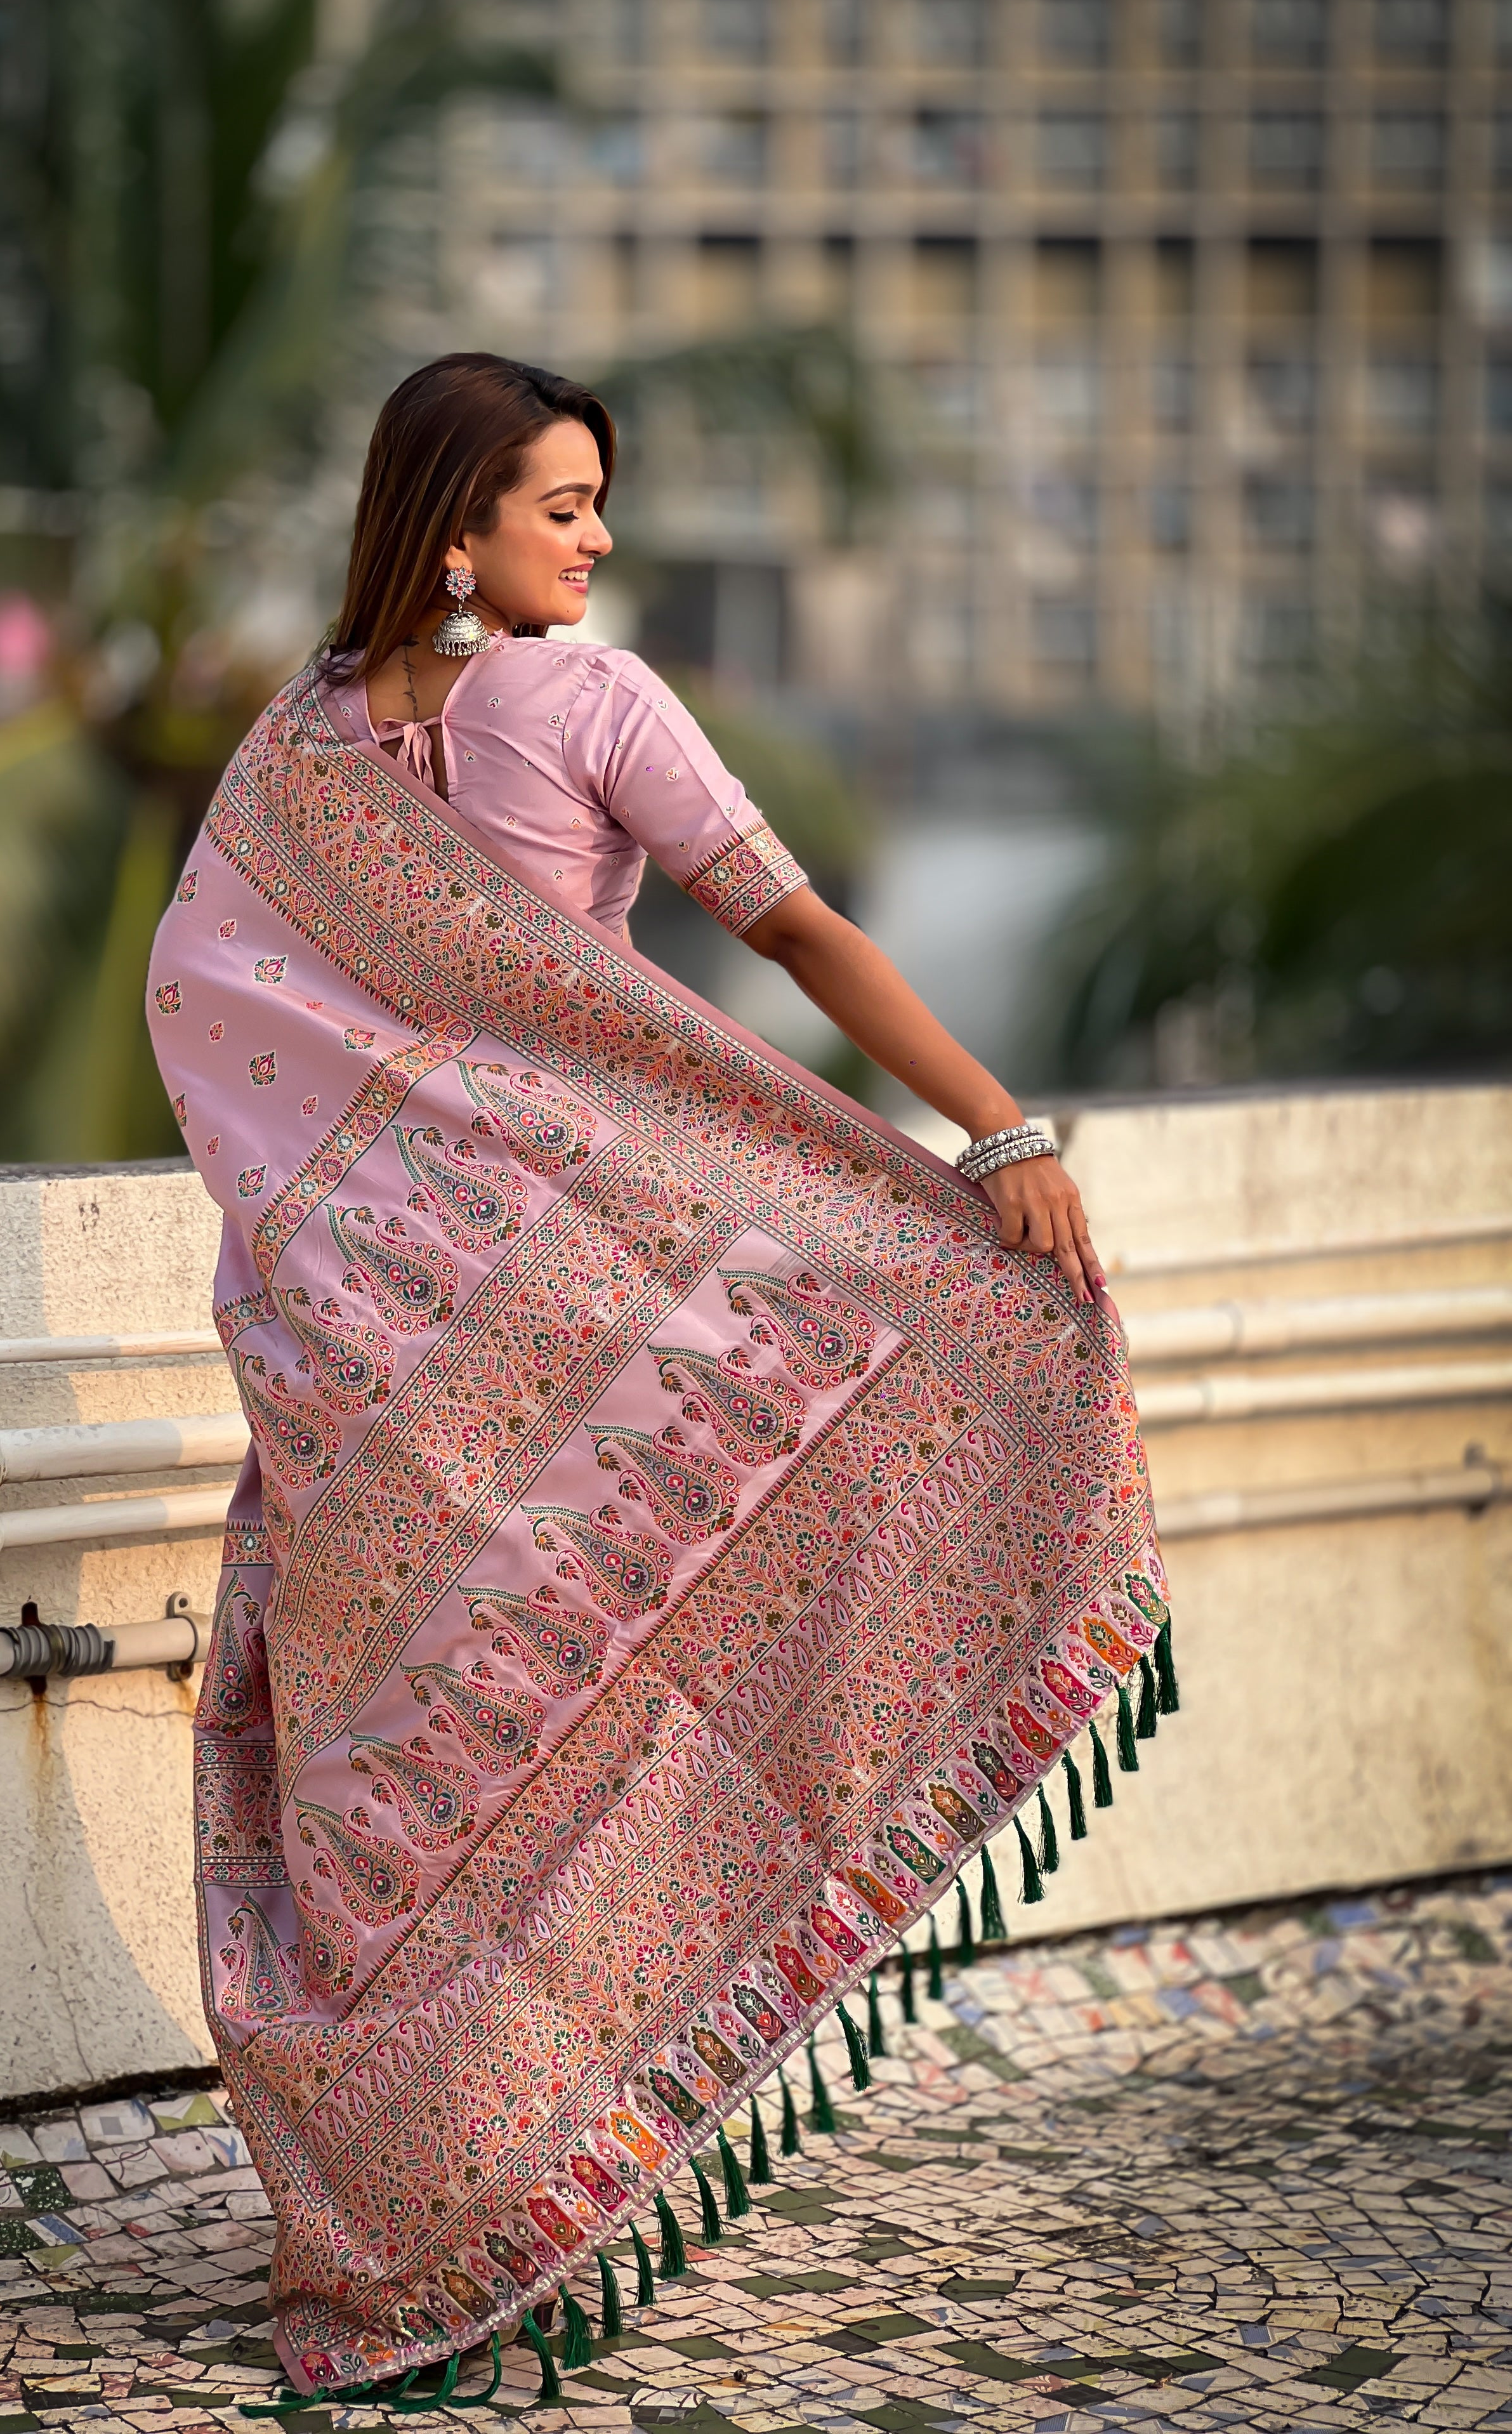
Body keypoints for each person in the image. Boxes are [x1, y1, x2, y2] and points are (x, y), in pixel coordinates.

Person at [147, 353, 1169, 2402]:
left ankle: (393, 2232)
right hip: (576, 1299)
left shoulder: (292, 754)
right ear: (456, 530)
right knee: (595, 1717)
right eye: (564, 506)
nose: (597, 542)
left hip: (380, 1347)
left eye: (598, 505)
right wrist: (999, 1134)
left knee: (403, 1763)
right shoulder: (595, 703)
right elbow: (798, 939)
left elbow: (200, 994)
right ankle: (495, 2195)